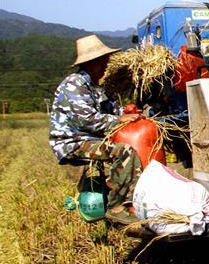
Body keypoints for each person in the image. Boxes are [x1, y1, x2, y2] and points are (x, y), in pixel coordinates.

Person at [49, 35, 142, 223]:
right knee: (124, 152)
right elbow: (87, 121)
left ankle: (127, 199)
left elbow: (113, 109)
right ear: (93, 63)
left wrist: (129, 112)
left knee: (126, 150)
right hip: (73, 142)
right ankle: (116, 207)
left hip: (89, 139)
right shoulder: (74, 85)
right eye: (104, 62)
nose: (107, 65)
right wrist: (119, 119)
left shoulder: (95, 86)